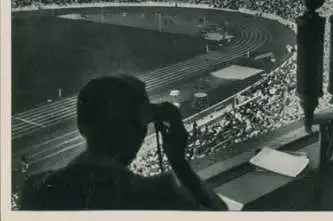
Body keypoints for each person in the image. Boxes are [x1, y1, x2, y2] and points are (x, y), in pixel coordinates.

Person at [19, 75, 228, 211]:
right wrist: (179, 163)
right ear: (139, 127)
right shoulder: (158, 196)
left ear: (81, 126)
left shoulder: (34, 191)